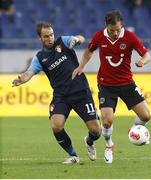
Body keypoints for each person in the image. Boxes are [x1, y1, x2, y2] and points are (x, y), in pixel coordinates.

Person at [12, 22, 101, 164]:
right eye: (46, 36)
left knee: (96, 131)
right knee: (56, 125)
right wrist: (22, 79)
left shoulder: (63, 42)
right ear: (39, 38)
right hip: (61, 96)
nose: (50, 38)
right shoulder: (40, 58)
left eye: (51, 35)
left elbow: (81, 38)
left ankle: (89, 141)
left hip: (80, 92)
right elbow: (30, 72)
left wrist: (76, 40)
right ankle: (73, 155)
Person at [72, 10, 151, 164]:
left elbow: (147, 55)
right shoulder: (99, 36)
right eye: (112, 30)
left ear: (122, 26)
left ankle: (134, 130)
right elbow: (89, 51)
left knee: (146, 116)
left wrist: (142, 61)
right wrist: (81, 66)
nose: (115, 33)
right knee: (107, 122)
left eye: (118, 30)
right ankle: (109, 145)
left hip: (127, 83)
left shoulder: (129, 36)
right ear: (106, 26)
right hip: (106, 84)